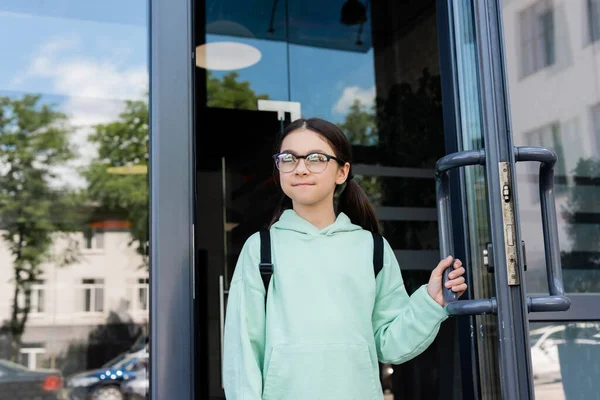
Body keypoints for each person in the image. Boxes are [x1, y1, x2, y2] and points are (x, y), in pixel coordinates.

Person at [223, 118, 467, 399]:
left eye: (316, 159)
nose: (300, 169)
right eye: (288, 159)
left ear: (342, 171)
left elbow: (389, 344)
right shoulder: (261, 248)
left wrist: (430, 301)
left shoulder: (372, 248)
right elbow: (242, 354)